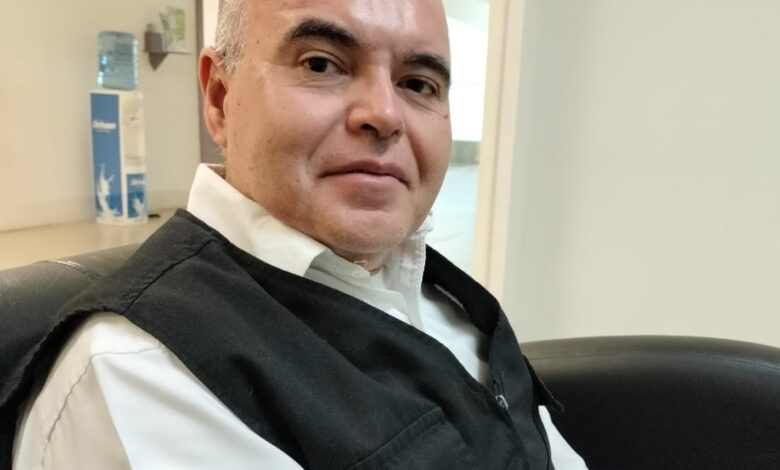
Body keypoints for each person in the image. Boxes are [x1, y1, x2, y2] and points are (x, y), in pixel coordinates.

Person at [7, 0, 587, 468]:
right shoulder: (142, 378)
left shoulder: (440, 296)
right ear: (220, 100)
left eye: (418, 83)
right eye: (321, 64)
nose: (385, 114)